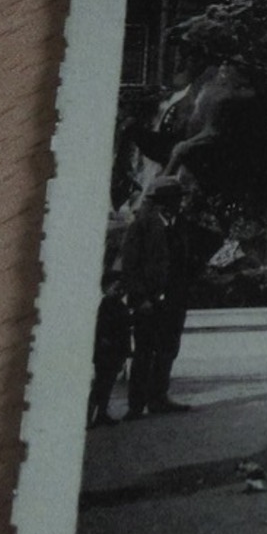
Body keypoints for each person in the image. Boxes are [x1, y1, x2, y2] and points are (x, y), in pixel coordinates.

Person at [119, 176, 198, 418]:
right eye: (177, 199)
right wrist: (139, 297)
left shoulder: (181, 224)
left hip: (175, 299)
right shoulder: (141, 225)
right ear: (165, 202)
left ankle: (159, 398)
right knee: (144, 352)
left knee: (168, 349)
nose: (181, 203)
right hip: (149, 301)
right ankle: (136, 405)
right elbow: (130, 266)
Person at [87, 270, 133, 429]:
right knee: (101, 383)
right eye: (116, 287)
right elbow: (101, 329)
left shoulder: (119, 306)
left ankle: (101, 414)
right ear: (105, 288)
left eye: (122, 289)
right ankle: (89, 416)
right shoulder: (105, 306)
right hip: (106, 349)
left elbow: (126, 328)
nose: (120, 291)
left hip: (116, 349)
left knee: (107, 383)